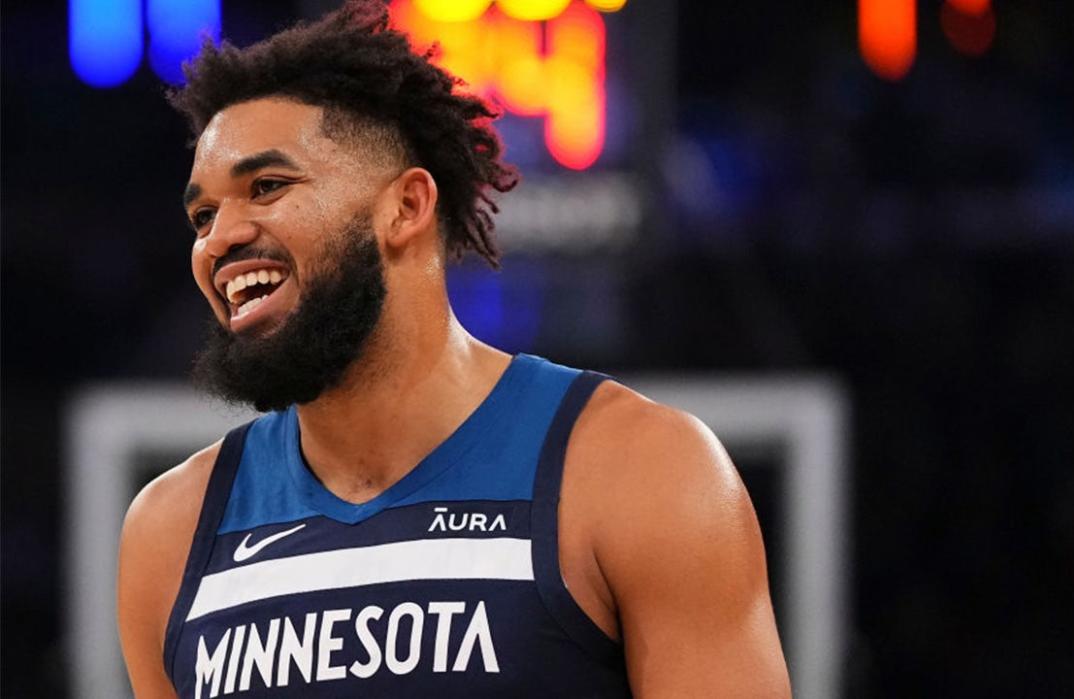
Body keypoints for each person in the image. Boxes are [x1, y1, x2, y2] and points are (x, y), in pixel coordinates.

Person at [116, 2, 790, 697]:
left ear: (406, 207)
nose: (218, 237)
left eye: (267, 187)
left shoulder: (640, 473)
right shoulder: (171, 532)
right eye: (203, 214)